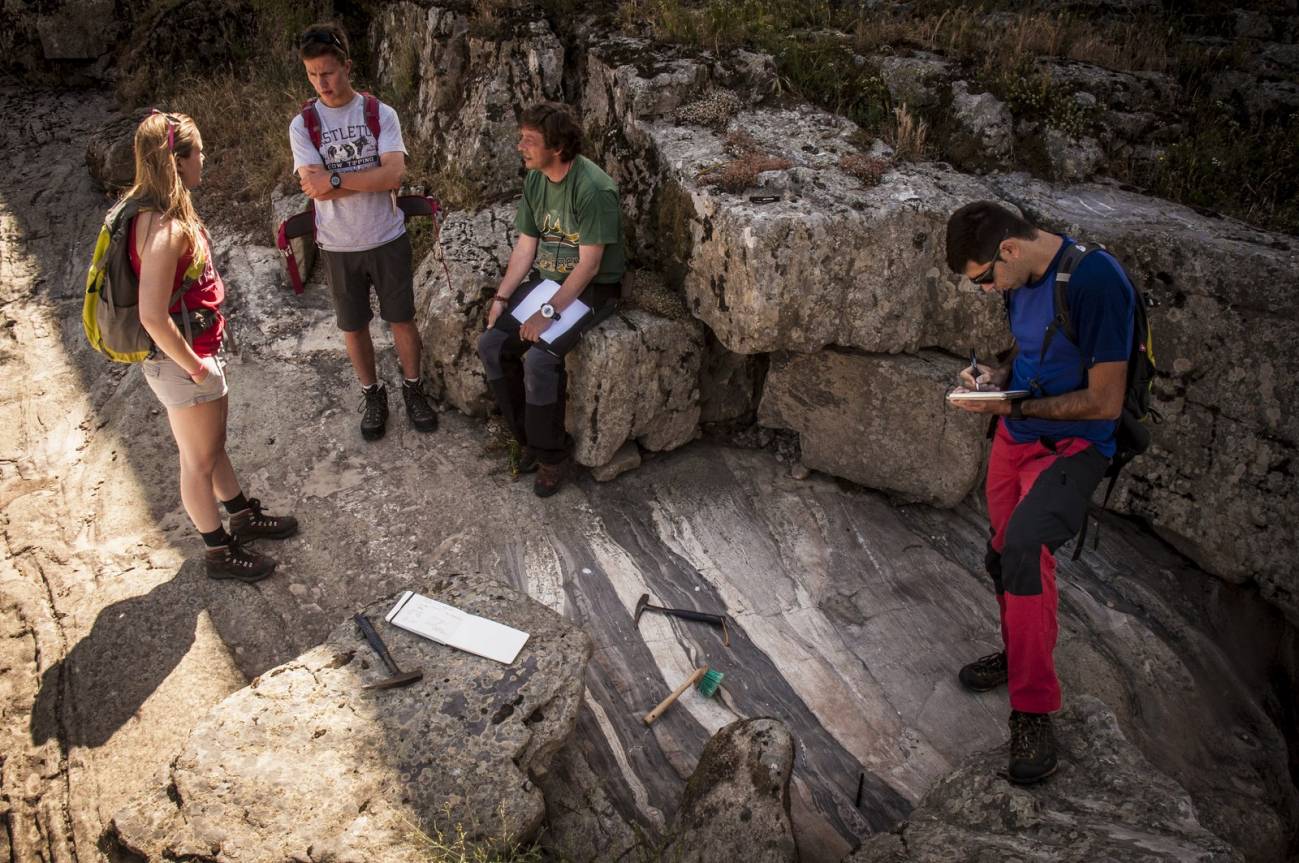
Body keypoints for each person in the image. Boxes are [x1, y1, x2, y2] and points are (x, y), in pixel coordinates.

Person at [944, 200, 1135, 784]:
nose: (984, 291)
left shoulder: (1096, 281)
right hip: (1016, 437)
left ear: (1009, 249)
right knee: (1003, 554)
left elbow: (1106, 400)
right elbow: (1034, 357)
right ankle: (1020, 651)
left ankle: (1032, 709)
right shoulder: (1018, 280)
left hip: (1076, 447)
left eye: (983, 279)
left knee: (1026, 547)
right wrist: (991, 382)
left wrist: (1016, 404)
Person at [132, 111, 298, 581]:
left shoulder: (151, 210)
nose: (205, 158)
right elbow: (150, 314)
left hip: (185, 358)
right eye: (199, 151)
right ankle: (218, 550)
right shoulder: (164, 227)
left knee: (210, 445)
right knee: (197, 460)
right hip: (184, 362)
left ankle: (241, 514)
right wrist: (197, 368)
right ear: (178, 160)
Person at [290, 22, 437, 441]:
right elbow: (312, 183)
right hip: (338, 245)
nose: (323, 82)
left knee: (401, 320)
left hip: (387, 237)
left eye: (329, 72)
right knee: (353, 327)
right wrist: (365, 176)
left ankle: (413, 389)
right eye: (313, 74)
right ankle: (373, 395)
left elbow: (393, 173)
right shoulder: (303, 125)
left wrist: (335, 181)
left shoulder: (379, 114)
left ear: (347, 67)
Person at [476, 102, 626, 496]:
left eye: (530, 140)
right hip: (549, 280)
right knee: (491, 344)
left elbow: (590, 265)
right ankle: (528, 440)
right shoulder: (536, 179)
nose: (520, 146)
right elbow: (527, 246)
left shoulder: (593, 189)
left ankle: (551, 457)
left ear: (557, 147)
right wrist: (502, 297)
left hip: (592, 288)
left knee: (541, 358)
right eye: (520, 138)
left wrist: (547, 312)